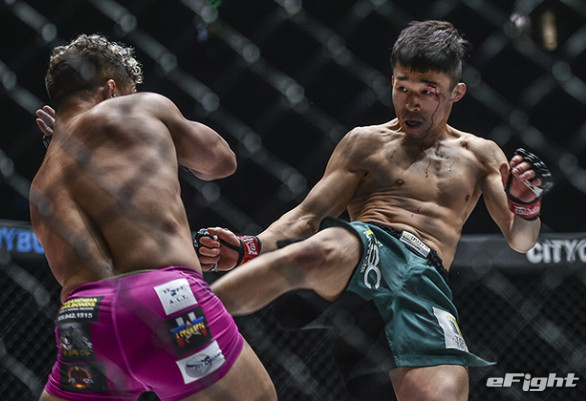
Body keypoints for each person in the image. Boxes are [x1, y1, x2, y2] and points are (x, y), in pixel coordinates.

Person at [195, 20, 553, 401]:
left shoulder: (480, 154)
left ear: (456, 92)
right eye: (402, 87)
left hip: (425, 281)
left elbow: (521, 241)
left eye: (428, 91)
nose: (412, 103)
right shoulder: (365, 143)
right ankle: (188, 320)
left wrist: (526, 205)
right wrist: (250, 247)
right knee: (324, 247)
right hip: (368, 248)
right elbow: (306, 216)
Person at [30, 34, 276, 401]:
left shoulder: (43, 177)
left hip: (84, 320)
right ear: (111, 90)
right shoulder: (140, 108)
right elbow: (221, 162)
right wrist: (158, 126)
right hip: (164, 298)